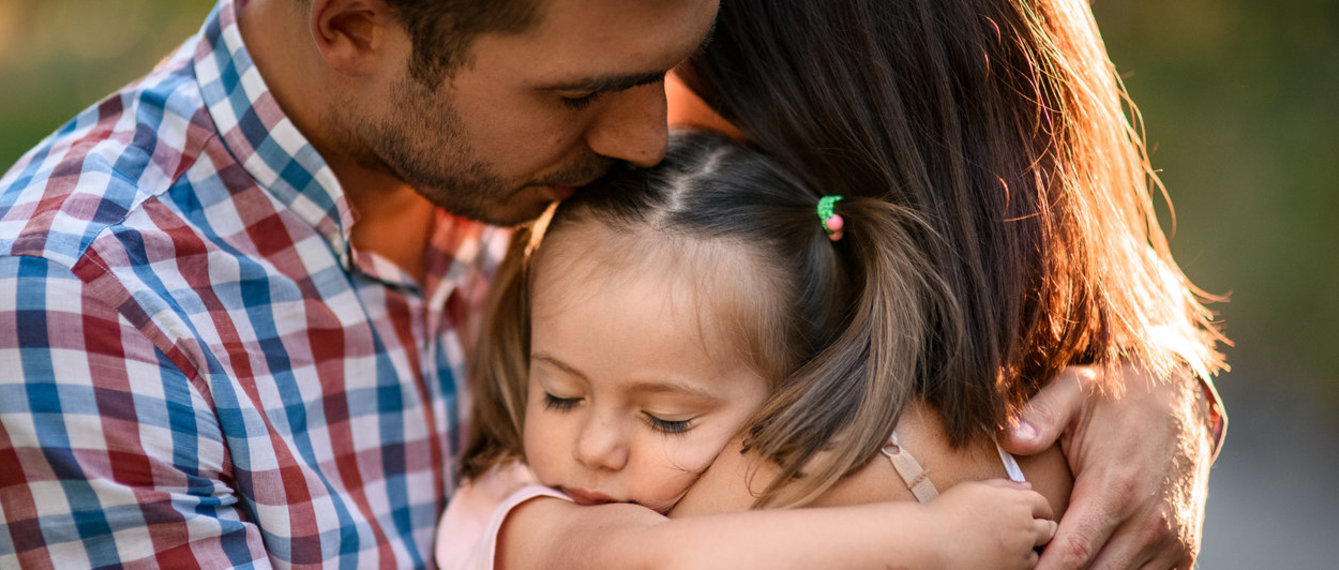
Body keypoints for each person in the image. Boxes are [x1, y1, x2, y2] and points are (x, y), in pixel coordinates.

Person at [0, 0, 1222, 566]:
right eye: (582, 93)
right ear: (353, 27)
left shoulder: (563, 132)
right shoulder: (84, 304)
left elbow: (969, 180)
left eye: (662, 74)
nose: (650, 139)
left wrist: (1148, 369)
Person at [668, 0, 1229, 567]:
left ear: (789, 120)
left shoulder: (775, 491)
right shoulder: (1052, 407)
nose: (652, 127)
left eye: (672, 75)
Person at [443, 130, 1061, 569]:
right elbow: (652, 562)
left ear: (789, 390)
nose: (594, 448)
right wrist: (936, 540)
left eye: (667, 418)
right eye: (560, 396)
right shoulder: (518, 511)